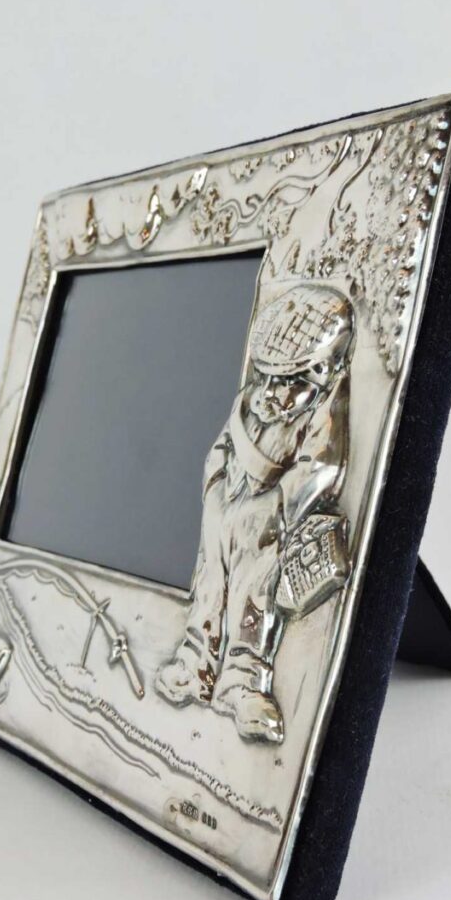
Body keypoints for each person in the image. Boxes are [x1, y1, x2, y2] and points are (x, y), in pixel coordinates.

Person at [156, 283, 353, 743]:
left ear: (318, 375)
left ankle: (242, 681)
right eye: (271, 380)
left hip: (267, 521)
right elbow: (223, 447)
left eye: (290, 383)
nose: (274, 393)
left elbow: (320, 467)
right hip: (224, 508)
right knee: (210, 584)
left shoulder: (321, 411)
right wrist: (215, 489)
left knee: (253, 593)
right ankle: (196, 661)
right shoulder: (249, 401)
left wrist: (276, 506)